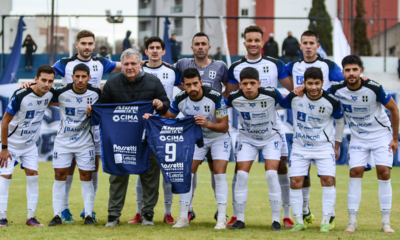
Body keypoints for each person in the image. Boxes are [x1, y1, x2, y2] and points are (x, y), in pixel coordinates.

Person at [93, 48, 170, 227]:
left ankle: (148, 215)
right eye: (126, 64)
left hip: (147, 138)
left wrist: (160, 104)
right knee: (117, 176)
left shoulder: (153, 81)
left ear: (140, 63)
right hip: (120, 140)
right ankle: (113, 216)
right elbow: (103, 108)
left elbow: (166, 104)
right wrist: (93, 109)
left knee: (150, 176)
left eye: (133, 63)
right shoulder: (112, 83)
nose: (129, 67)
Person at [227, 25, 294, 228]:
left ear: (262, 41)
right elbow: (225, 98)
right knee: (240, 172)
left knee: (279, 169)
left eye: (257, 40)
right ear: (245, 42)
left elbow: (293, 92)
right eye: (249, 40)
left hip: (272, 128)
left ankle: (285, 214)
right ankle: (236, 215)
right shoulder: (235, 68)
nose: (253, 43)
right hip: (247, 132)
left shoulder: (275, 64)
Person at [328, 55, 399, 233]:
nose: (351, 73)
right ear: (343, 72)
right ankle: (352, 222)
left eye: (355, 69)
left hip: (381, 135)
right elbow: (316, 94)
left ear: (361, 71)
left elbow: (394, 109)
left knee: (383, 172)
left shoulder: (374, 87)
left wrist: (395, 138)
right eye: (348, 70)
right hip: (358, 137)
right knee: (355, 172)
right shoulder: (336, 89)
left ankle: (386, 222)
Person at [174, 32, 238, 222]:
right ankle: (188, 210)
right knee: (189, 170)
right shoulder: (182, 64)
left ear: (209, 47)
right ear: (192, 47)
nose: (200, 47)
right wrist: (191, 95)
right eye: (197, 44)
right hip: (195, 130)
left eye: (203, 44)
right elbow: (174, 80)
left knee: (216, 170)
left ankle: (221, 212)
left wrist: (218, 101)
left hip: (216, 124)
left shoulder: (220, 66)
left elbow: (230, 86)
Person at [286, 30, 344, 229]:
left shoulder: (328, 66)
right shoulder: (292, 67)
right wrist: (293, 90)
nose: (308, 46)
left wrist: (361, 78)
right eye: (305, 43)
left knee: (328, 179)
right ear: (300, 45)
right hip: (302, 140)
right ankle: (301, 219)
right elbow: (276, 93)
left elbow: (345, 79)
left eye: (312, 43)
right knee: (297, 180)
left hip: (322, 138)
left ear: (317, 46)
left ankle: (327, 219)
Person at [160, 67, 230, 229]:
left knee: (219, 173)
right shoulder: (180, 99)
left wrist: (207, 123)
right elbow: (167, 118)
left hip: (218, 138)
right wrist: (152, 118)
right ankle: (183, 217)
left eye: (195, 84)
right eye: (188, 85)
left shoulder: (215, 96)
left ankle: (221, 218)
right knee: (186, 174)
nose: (192, 88)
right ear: (183, 85)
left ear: (201, 83)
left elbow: (224, 126)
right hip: (197, 139)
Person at [129, 36, 181, 224]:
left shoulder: (172, 71)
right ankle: (139, 212)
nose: (155, 50)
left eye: (158, 47)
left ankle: (168, 213)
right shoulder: (137, 69)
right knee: (143, 170)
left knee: (167, 170)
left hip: (165, 126)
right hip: (141, 126)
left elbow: (187, 89)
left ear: (163, 51)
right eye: (151, 47)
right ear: (146, 51)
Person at [226, 67, 284, 230]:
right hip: (247, 139)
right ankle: (240, 219)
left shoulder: (272, 93)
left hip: (270, 137)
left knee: (272, 174)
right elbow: (218, 106)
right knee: (242, 175)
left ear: (259, 83)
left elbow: (288, 102)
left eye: (253, 83)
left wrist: (301, 90)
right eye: (245, 84)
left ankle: (276, 220)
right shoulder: (234, 97)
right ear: (240, 85)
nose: (249, 87)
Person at [0, 65, 55, 227]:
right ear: (35, 79)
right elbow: (4, 122)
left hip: (29, 145)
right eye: (43, 80)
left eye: (50, 81)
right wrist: (4, 148)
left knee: (33, 176)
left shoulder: (50, 94)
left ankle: (31, 217)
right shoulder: (20, 94)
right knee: (5, 177)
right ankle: (1, 217)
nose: (46, 84)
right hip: (10, 145)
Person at [48, 64, 101, 226]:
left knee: (87, 177)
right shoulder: (60, 92)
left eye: (83, 76)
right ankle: (57, 215)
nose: (80, 80)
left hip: (85, 143)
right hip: (63, 142)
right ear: (72, 77)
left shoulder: (96, 93)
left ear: (89, 77)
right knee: (60, 176)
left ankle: (88, 216)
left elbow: (102, 113)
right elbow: (41, 94)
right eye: (77, 76)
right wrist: (29, 85)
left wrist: (95, 111)